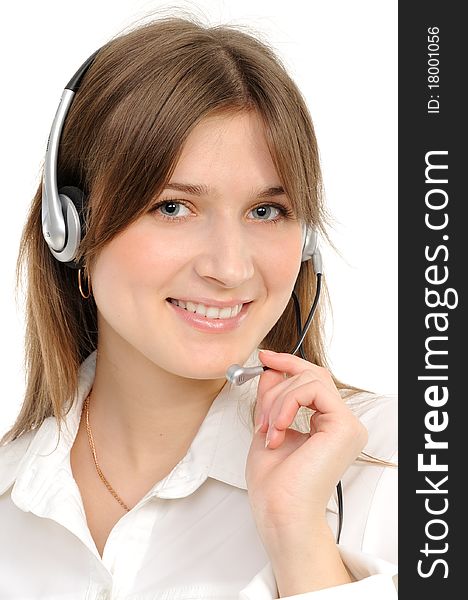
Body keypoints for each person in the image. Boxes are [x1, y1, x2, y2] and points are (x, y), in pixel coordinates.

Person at [0, 13, 397, 599]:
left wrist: (299, 541)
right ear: (72, 227)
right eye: (173, 207)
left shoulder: (394, 467)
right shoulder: (11, 494)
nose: (230, 268)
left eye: (266, 212)